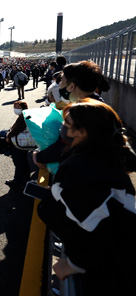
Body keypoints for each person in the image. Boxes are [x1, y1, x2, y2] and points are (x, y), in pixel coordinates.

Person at [37, 99, 136, 294]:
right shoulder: (107, 156)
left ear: (83, 132)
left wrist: (74, 264)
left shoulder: (81, 169)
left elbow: (97, 233)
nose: (63, 127)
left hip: (110, 274)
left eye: (68, 124)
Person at [4, 101, 36, 187]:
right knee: (24, 161)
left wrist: (8, 136)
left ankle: (17, 181)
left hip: (20, 144)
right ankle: (25, 178)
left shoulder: (23, 117)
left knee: (18, 162)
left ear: (23, 108)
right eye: (15, 107)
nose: (15, 109)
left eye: (17, 107)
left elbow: (17, 129)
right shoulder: (25, 115)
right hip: (24, 144)